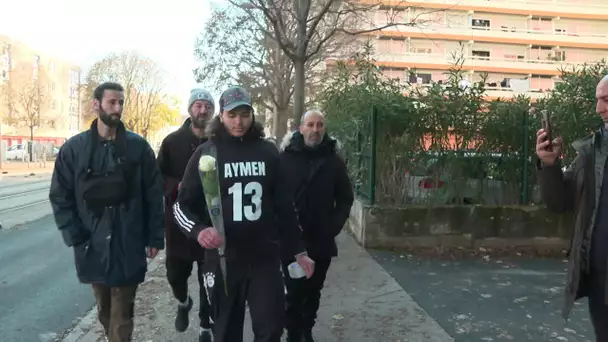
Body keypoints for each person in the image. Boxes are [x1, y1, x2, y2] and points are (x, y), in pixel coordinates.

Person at [173, 86, 315, 342]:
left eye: (245, 114)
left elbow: (285, 207)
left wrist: (299, 250)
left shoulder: (268, 152)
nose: (239, 122)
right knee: (226, 332)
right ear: (222, 117)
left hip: (264, 258)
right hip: (223, 260)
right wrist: (198, 230)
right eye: (232, 115)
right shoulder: (207, 153)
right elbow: (181, 206)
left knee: (271, 328)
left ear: (252, 115)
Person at [49, 82, 165, 342]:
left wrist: (154, 237)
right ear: (96, 104)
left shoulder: (138, 148)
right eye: (112, 102)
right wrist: (75, 235)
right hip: (93, 243)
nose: (118, 108)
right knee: (105, 309)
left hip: (129, 240)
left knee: (123, 313)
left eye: (121, 102)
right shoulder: (74, 150)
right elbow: (60, 195)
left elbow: (153, 194)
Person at [537, 75, 608, 341]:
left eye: (606, 100)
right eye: (598, 100)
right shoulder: (593, 151)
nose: (599, 109)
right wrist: (549, 165)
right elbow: (559, 202)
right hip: (601, 284)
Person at [278, 110, 354, 342]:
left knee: (313, 291)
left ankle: (307, 330)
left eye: (320, 125)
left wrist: (332, 227)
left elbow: (345, 198)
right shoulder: (284, 158)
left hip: (321, 239)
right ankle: (293, 333)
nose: (315, 129)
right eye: (310, 124)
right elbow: (273, 196)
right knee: (293, 291)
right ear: (300, 128)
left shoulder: (334, 161)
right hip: (292, 240)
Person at [157, 88, 215, 342]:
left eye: (207, 106)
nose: (202, 110)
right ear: (190, 109)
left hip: (211, 221)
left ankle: (205, 325)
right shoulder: (172, 142)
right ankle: (183, 301)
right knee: (175, 274)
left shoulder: (219, 142)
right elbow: (157, 177)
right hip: (179, 221)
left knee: (209, 278)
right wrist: (176, 186)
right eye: (198, 105)